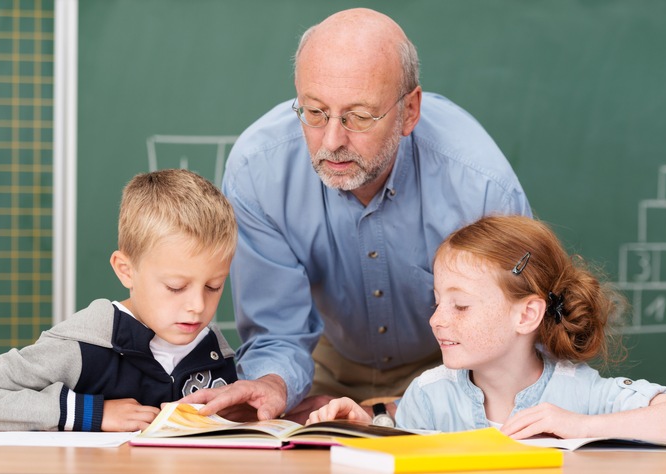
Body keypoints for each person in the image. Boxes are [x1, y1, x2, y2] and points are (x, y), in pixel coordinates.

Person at [182, 8, 530, 422]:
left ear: (410, 111)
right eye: (314, 112)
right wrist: (272, 384)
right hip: (324, 366)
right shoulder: (258, 171)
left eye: (359, 116)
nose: (331, 140)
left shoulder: (481, 186)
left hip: (453, 367)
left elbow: (511, 345)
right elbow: (279, 332)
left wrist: (404, 410)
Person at [306, 215, 666, 442]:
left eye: (460, 305)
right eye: (437, 300)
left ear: (527, 315)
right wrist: (371, 433)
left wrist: (583, 426)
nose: (437, 318)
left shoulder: (580, 392)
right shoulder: (429, 397)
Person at [0, 169, 239, 432]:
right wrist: (90, 413)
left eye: (214, 286)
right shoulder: (83, 346)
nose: (198, 306)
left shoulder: (214, 351)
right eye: (175, 287)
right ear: (126, 271)